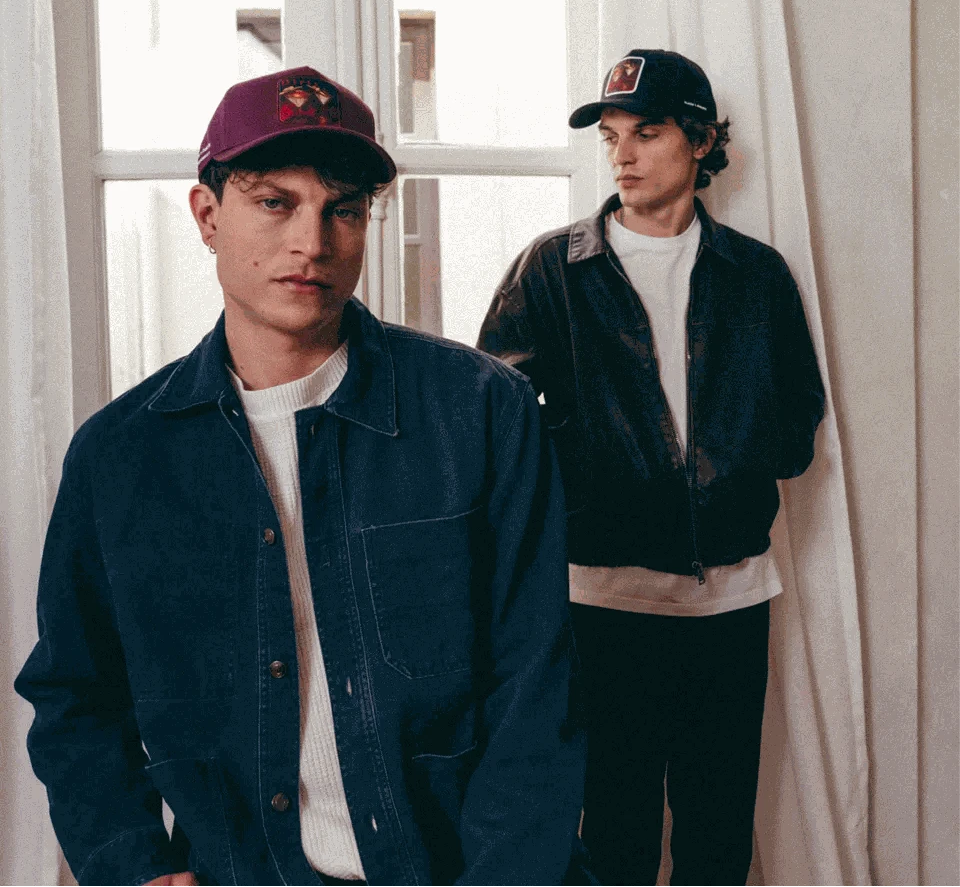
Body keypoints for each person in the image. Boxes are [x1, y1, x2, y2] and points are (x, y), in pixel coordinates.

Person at [16, 67, 590, 887]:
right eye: (275, 202)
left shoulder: (480, 412)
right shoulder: (119, 458)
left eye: (343, 210)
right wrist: (133, 864)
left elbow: (539, 688)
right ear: (207, 215)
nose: (312, 243)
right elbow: (76, 699)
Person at [477, 49, 826, 887]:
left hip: (732, 596)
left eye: (648, 133)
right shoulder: (554, 269)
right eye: (611, 136)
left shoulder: (756, 274)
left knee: (718, 832)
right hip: (604, 600)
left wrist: (731, 469)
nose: (623, 155)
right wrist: (587, 479)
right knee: (616, 830)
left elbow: (796, 420)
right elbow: (498, 423)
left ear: (700, 142)